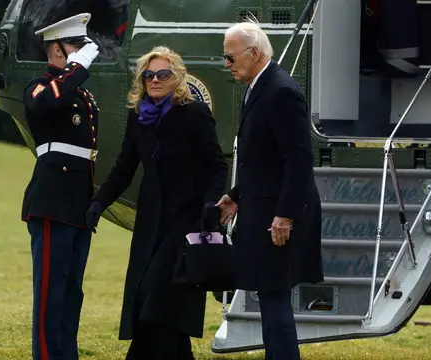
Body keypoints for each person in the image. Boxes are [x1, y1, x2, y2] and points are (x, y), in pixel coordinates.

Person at [85, 45, 228, 359]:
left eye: (162, 74)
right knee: (158, 299)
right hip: (151, 218)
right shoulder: (139, 115)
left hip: (187, 216)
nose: (155, 80)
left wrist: (211, 205)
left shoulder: (193, 112)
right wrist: (99, 202)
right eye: (148, 75)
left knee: (157, 291)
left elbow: (217, 165)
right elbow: (125, 166)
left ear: (176, 77)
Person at [216, 18, 324, 360]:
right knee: (269, 295)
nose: (226, 64)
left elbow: (299, 160)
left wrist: (286, 216)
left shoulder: (281, 91)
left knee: (275, 297)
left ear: (254, 53)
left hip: (278, 214)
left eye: (231, 57)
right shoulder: (258, 88)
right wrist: (237, 195)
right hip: (263, 206)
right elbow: (262, 159)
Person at [20, 13, 101, 360]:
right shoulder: (40, 85)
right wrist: (76, 68)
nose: (82, 52)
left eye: (83, 45)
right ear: (56, 49)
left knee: (72, 291)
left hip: (79, 199)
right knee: (51, 291)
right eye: (74, 45)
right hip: (53, 198)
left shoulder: (78, 92)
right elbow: (43, 103)